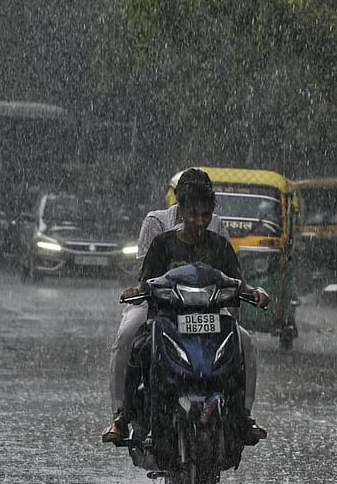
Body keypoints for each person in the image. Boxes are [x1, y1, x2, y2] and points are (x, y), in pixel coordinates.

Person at [102, 168, 268, 444]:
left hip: (207, 310)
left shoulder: (217, 235)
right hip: (163, 309)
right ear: (181, 202)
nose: (200, 222)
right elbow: (146, 274)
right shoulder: (159, 228)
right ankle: (122, 415)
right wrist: (142, 290)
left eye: (205, 213)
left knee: (244, 343)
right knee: (130, 338)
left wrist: (251, 293)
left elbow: (234, 277)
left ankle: (243, 416)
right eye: (193, 212)